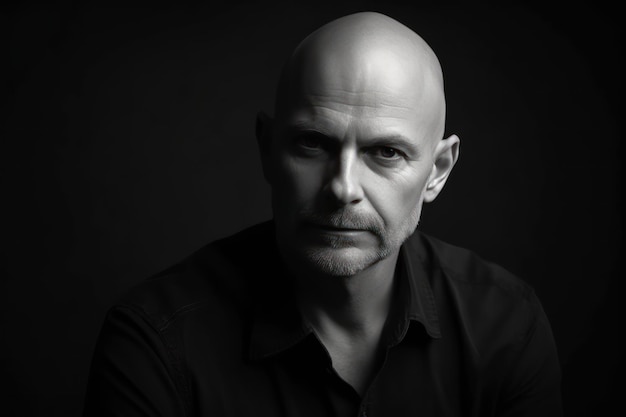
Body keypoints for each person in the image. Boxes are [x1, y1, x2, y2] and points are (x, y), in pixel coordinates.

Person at [83, 11, 562, 417]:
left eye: (387, 152)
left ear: (437, 171)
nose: (343, 188)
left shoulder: (505, 329)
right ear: (268, 150)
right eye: (312, 143)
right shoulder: (155, 342)